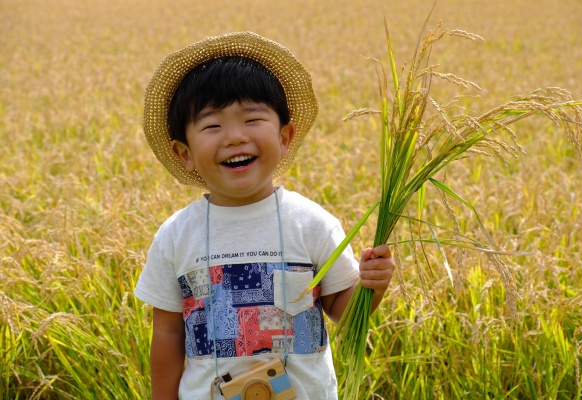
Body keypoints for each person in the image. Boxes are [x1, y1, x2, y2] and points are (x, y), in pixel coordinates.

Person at [134, 32, 395, 400]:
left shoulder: (311, 224)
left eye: (252, 119)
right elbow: (168, 334)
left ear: (285, 136)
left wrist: (372, 286)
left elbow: (345, 315)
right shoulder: (176, 236)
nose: (235, 137)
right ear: (184, 153)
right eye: (213, 126)